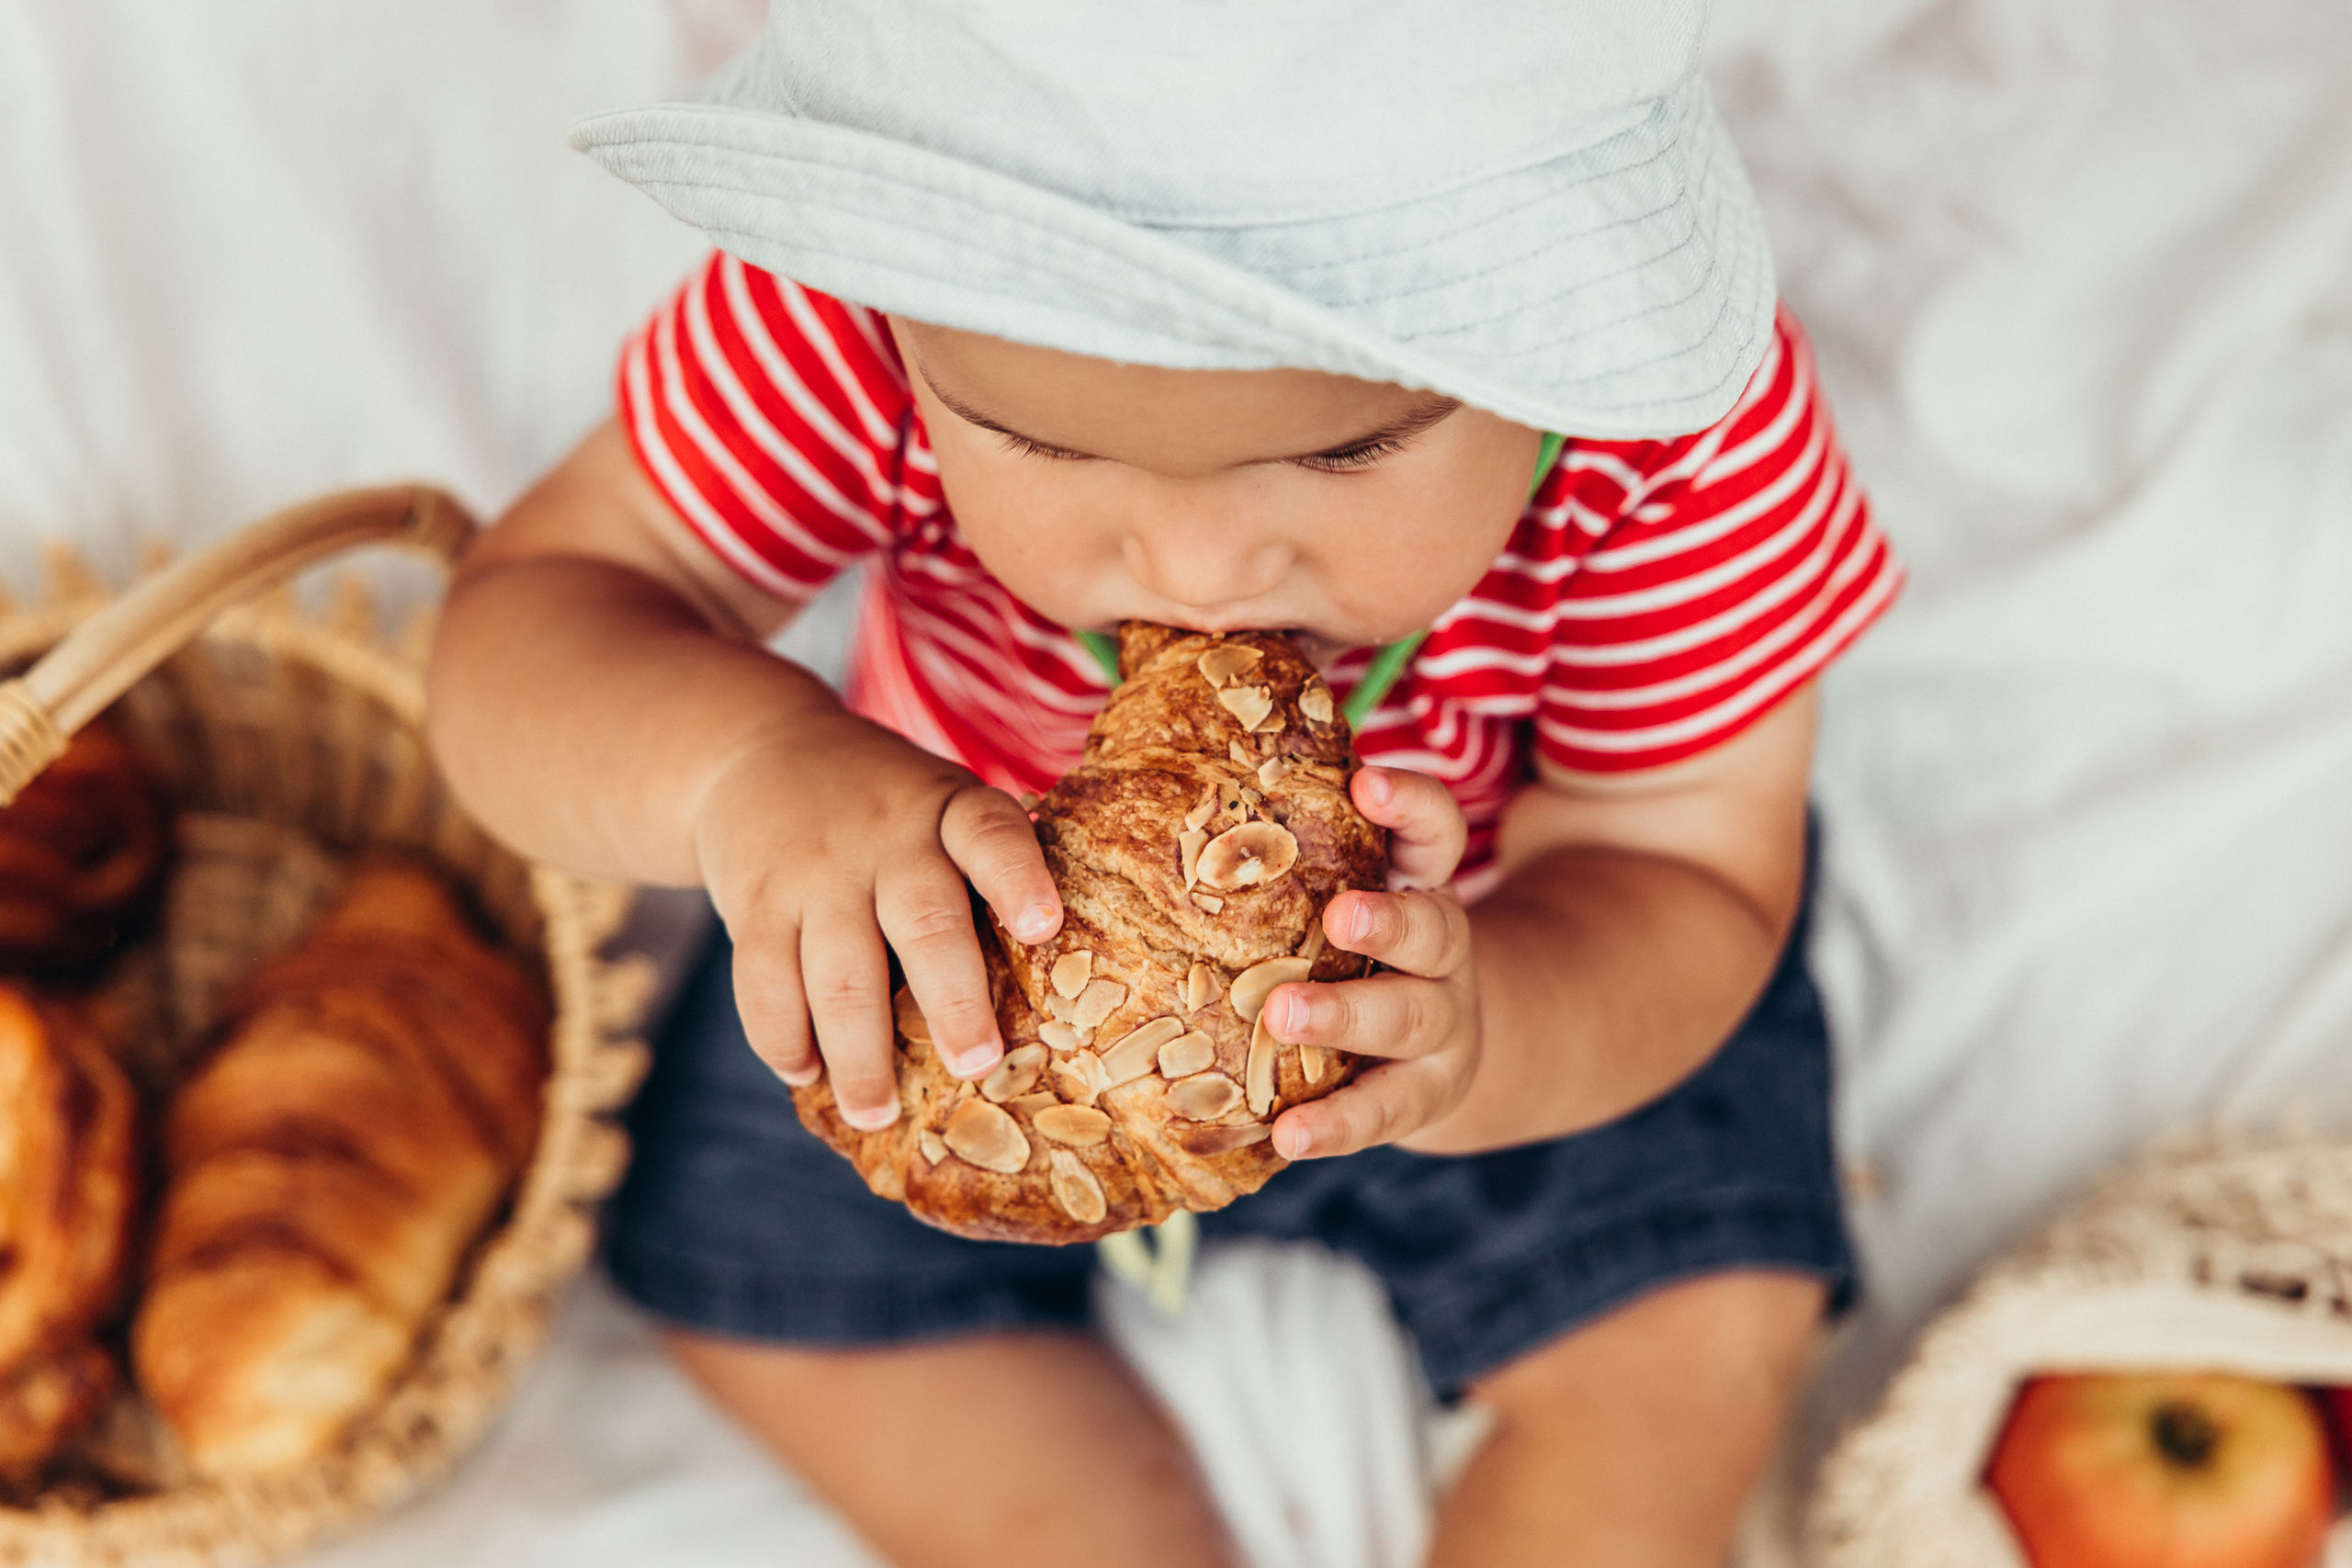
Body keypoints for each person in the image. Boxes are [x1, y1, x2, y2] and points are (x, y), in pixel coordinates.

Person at [424, 2, 1902, 1562]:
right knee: (749, 1261)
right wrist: (743, 765)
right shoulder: (852, 318)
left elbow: (1687, 863)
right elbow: (526, 628)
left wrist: (1497, 1035)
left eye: (1345, 453)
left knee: (1689, 1350)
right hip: (942, 962)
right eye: (1040, 444)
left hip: (1513, 961)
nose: (1202, 566)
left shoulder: (1661, 421)